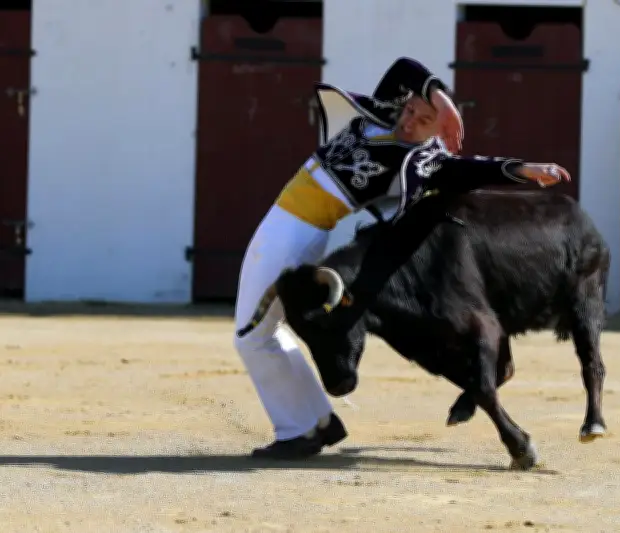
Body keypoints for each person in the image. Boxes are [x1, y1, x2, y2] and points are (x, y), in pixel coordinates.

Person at [234, 56, 571, 460]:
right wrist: (439, 99)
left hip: (296, 229)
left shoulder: (422, 162)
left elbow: (470, 169)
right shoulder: (386, 112)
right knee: (260, 333)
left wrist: (522, 169)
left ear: (438, 133)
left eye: (423, 120)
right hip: (287, 221)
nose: (408, 121)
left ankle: (306, 428)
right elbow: (403, 69)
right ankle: (314, 423)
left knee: (252, 336)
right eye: (411, 109)